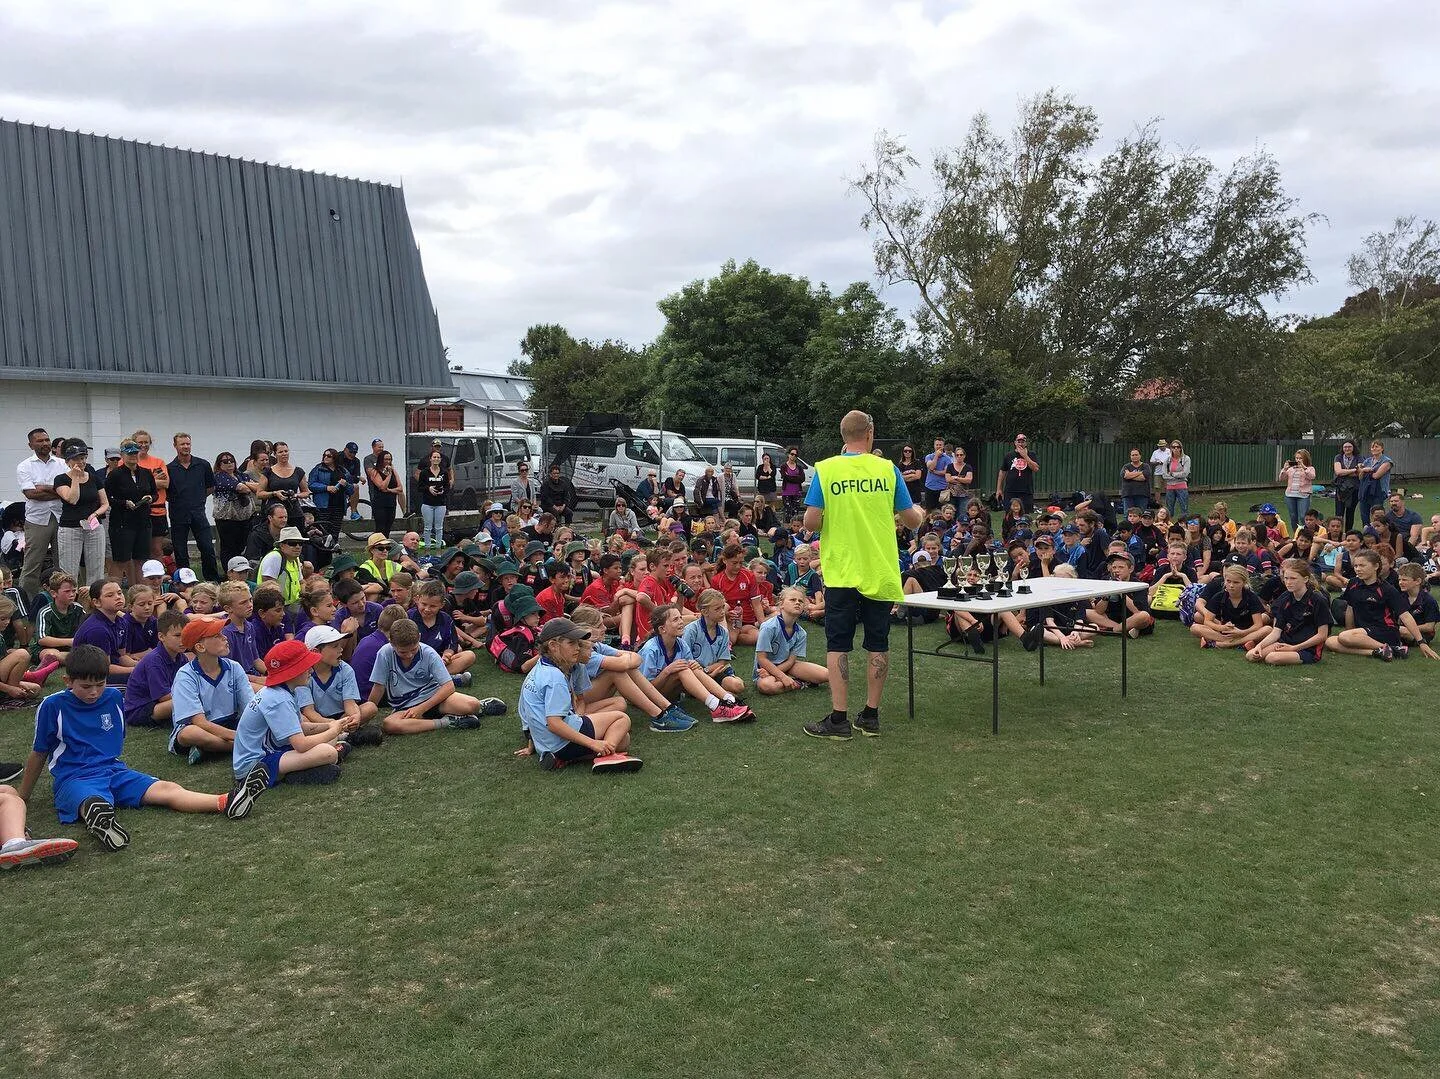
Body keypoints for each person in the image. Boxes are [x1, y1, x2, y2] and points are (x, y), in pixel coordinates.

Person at [18, 645, 267, 852]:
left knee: (167, 789)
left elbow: (116, 739)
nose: (94, 692)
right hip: (74, 777)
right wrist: (24, 796)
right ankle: (100, 819)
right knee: (92, 800)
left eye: (100, 684)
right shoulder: (53, 705)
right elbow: (39, 752)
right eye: (85, 687)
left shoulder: (114, 698)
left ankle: (226, 801)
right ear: (67, 681)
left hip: (113, 769)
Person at [802, 410, 924, 740]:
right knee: (878, 642)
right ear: (869, 433)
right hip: (880, 569)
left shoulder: (825, 470)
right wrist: (922, 513)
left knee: (838, 643)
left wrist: (835, 521)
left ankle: (838, 719)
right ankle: (870, 715)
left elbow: (810, 523)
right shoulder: (888, 469)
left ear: (843, 436)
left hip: (842, 570)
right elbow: (912, 520)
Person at [519, 618, 638, 771]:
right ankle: (606, 758)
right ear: (553, 646)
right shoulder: (555, 677)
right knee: (622, 719)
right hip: (560, 742)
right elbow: (554, 723)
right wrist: (593, 743)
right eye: (572, 643)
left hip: (547, 744)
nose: (577, 648)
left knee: (624, 739)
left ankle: (561, 759)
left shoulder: (538, 669)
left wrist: (533, 742)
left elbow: (528, 710)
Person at [233, 639, 346, 786]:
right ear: (293, 672)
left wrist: (331, 725)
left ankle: (303, 768)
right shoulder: (279, 698)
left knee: (329, 743)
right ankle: (292, 775)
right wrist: (333, 730)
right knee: (327, 752)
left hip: (274, 750)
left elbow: (299, 727)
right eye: (306, 666)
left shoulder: (284, 691)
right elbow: (301, 745)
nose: (311, 670)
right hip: (254, 765)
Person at [366, 617, 506, 735]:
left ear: (419, 638)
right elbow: (378, 687)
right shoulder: (384, 654)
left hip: (434, 698)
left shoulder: (429, 652)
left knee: (471, 705)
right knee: (389, 725)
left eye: (413, 650)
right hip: (405, 706)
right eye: (403, 652)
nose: (409, 655)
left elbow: (448, 686)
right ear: (391, 642)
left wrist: (421, 709)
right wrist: (368, 713)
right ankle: (447, 722)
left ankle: (481, 706)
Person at [638, 604, 752, 722]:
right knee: (682, 670)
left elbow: (692, 673)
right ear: (662, 629)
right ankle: (717, 707)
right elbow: (646, 689)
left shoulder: (681, 644)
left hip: (670, 693)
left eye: (681, 618)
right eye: (675, 619)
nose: (681, 622)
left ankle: (729, 701)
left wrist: (698, 668)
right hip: (648, 698)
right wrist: (667, 671)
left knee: (691, 667)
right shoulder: (651, 650)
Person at [169, 616, 256, 763]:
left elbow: (251, 707)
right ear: (200, 647)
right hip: (200, 727)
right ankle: (243, 746)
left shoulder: (234, 667)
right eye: (217, 636)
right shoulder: (185, 675)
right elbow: (200, 722)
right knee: (189, 734)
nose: (225, 638)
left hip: (230, 722)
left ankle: (210, 748)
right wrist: (239, 736)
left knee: (259, 719)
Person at [1325, 549, 1437, 661]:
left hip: (1385, 631)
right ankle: (1378, 652)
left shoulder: (1387, 589)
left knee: (1344, 637)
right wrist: (1349, 630)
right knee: (1330, 641)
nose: (1358, 569)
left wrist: (1421, 642)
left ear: (1376, 566)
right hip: (1363, 631)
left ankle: (1390, 646)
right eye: (1356, 566)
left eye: (1362, 565)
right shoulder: (1353, 583)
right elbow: (1350, 608)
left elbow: (1405, 615)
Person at [1247, 559, 1332, 666]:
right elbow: (1276, 631)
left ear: (1305, 579)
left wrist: (1294, 648)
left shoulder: (1318, 599)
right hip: (1285, 643)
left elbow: (1322, 635)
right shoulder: (1285, 598)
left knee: (1272, 658)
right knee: (1251, 655)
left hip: (1307, 649)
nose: (1288, 582)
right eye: (1286, 578)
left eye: (1293, 578)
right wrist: (1260, 645)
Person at [16, 427, 68, 600]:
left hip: (61, 517)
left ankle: (64, 598)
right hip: (37, 520)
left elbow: (68, 490)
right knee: (32, 563)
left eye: (47, 440)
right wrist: (57, 490)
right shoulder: (24, 466)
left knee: (63, 561)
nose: (45, 443)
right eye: (40, 441)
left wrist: (43, 487)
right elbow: (30, 493)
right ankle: (26, 601)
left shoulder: (62, 464)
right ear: (31, 445)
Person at [754, 586, 829, 695]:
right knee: (766, 686)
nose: (797, 603)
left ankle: (794, 681)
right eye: (792, 600)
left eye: (800, 601)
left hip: (788, 666)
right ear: (781, 604)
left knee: (826, 675)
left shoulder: (801, 633)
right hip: (764, 670)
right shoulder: (768, 627)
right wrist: (782, 676)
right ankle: (799, 682)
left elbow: (790, 661)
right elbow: (762, 659)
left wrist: (780, 674)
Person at [53, 441, 109, 586]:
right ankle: (71, 600)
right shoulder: (61, 479)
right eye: (77, 458)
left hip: (93, 526)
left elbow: (105, 503)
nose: (82, 461)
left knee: (96, 568)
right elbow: (72, 499)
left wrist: (95, 514)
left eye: (83, 457)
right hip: (70, 527)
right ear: (68, 461)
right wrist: (76, 478)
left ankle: (94, 600)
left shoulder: (94, 478)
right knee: (69, 571)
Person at [103, 440, 157, 588]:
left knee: (140, 560)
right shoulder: (115, 475)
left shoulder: (146, 473)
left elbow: (154, 493)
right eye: (129, 453)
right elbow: (107, 498)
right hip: (122, 523)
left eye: (135, 453)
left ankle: (139, 592)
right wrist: (124, 502)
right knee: (121, 560)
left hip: (143, 521)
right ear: (122, 455)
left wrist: (150, 498)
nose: (133, 456)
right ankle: (113, 593)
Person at [122, 609, 188, 728]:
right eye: (177, 635)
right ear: (161, 636)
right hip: (139, 710)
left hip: (159, 703)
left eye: (186, 635)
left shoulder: (181, 658)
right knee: (186, 700)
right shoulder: (154, 661)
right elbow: (164, 697)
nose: (183, 640)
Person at [167, 433, 219, 581]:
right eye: (182, 444)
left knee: (207, 547)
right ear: (175, 446)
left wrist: (198, 498)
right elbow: (167, 492)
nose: (185, 447)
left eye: (188, 444)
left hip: (198, 512)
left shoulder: (202, 465)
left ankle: (212, 579)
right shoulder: (170, 468)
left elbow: (210, 487)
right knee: (180, 550)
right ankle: (186, 581)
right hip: (178, 514)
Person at [212, 450, 259, 567]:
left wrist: (244, 483)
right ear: (219, 464)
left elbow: (259, 487)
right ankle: (229, 571)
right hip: (227, 519)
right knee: (229, 547)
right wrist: (245, 484)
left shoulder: (241, 475)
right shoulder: (218, 477)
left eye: (231, 461)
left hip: (245, 518)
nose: (229, 463)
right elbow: (242, 488)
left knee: (242, 546)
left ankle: (241, 569)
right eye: (225, 461)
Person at [129, 430, 171, 560]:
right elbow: (129, 486)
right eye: (139, 442)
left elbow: (165, 483)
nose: (143, 445)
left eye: (146, 442)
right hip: (136, 510)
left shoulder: (158, 462)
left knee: (156, 549)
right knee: (138, 549)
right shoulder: (127, 462)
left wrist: (142, 482)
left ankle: (158, 578)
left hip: (157, 510)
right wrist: (153, 480)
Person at [256, 441, 305, 527]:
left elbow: (306, 492)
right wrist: (274, 493)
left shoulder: (298, 471)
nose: (284, 454)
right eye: (280, 452)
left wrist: (296, 495)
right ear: (275, 454)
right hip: (275, 512)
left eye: (286, 451)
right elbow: (259, 494)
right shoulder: (268, 471)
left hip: (294, 512)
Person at [256, 526, 305, 609]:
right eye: (292, 543)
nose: (297, 546)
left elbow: (301, 582)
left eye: (300, 543)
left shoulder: (295, 558)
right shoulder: (275, 557)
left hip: (294, 604)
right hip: (277, 606)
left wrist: (308, 597)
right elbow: (269, 587)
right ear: (282, 545)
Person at [307, 448, 352, 538]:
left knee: (335, 532)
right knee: (322, 531)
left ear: (335, 458)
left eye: (329, 456)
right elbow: (311, 485)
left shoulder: (343, 471)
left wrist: (346, 484)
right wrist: (326, 488)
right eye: (324, 455)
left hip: (339, 506)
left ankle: (332, 549)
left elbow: (351, 490)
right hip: (323, 506)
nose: (326, 457)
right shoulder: (318, 469)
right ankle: (323, 551)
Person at [994, 433, 1040, 513]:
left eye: (1022, 442)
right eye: (1019, 442)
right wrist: (999, 489)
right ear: (1015, 443)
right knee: (1009, 513)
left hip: (1026, 490)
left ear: (1026, 443)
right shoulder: (1009, 455)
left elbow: (1035, 468)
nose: (1020, 444)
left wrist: (1025, 456)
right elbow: (1002, 472)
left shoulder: (1031, 454)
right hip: (1011, 490)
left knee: (1025, 513)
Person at [366, 449, 405, 538]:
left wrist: (390, 490)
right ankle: (378, 546)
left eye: (389, 459)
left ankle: (385, 547)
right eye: (386, 459)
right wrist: (389, 475)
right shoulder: (374, 471)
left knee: (388, 527)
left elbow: (400, 488)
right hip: (380, 503)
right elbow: (382, 486)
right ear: (381, 460)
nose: (388, 461)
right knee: (380, 527)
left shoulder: (394, 471)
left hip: (391, 502)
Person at [1357, 439, 1394, 527]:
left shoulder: (1387, 462)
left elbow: (1376, 476)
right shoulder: (1368, 461)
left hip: (1379, 491)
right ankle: (1367, 534)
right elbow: (1360, 477)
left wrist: (1365, 470)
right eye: (1372, 447)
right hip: (1365, 490)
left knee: (1377, 515)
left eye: (1377, 446)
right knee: (1364, 515)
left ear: (1382, 448)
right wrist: (1362, 470)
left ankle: (1379, 533)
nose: (1374, 448)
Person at [1278, 448, 1316, 534]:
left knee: (1303, 516)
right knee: (1293, 516)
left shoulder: (1310, 468)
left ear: (1305, 459)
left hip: (1303, 495)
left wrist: (1304, 467)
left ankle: (1306, 534)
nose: (1298, 460)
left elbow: (1312, 476)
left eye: (1300, 458)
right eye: (1297, 458)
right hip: (1290, 495)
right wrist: (1284, 469)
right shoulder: (1291, 469)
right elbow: (1281, 478)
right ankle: (1296, 534)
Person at [1331, 440, 1362, 531]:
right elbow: (1338, 472)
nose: (1347, 449)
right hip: (1341, 489)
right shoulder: (1338, 457)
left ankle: (1349, 533)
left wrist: (1345, 472)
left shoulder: (1359, 457)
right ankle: (1338, 533)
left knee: (1350, 512)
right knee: (1339, 513)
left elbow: (1360, 472)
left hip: (1354, 489)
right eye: (1345, 447)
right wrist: (1353, 470)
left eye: (1349, 447)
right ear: (1342, 448)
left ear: (1353, 448)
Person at [1160, 439, 1192, 517]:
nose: (1176, 449)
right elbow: (1164, 475)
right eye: (1174, 447)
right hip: (1170, 487)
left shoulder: (1186, 459)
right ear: (1171, 448)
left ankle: (1184, 525)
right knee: (1169, 510)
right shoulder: (1167, 460)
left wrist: (1172, 474)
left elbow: (1185, 473)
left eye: (1178, 447)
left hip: (1182, 487)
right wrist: (1177, 476)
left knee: (1184, 509)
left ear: (1181, 448)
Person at [922, 437, 952, 512]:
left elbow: (945, 472)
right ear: (934, 446)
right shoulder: (929, 456)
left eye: (940, 445)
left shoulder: (947, 459)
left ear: (943, 446)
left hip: (942, 488)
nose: (938, 446)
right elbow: (931, 467)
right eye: (937, 445)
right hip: (930, 487)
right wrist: (936, 456)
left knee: (942, 511)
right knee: (929, 511)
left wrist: (934, 471)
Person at [1119, 448, 1152, 513]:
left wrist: (1130, 475)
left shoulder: (1145, 466)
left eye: (1136, 455)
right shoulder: (1126, 466)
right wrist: (1140, 473)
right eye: (1133, 455)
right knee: (1127, 515)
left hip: (1142, 495)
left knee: (1141, 514)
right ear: (1130, 456)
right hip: (1128, 494)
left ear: (1140, 456)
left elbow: (1143, 477)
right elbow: (1125, 476)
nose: (1134, 456)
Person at [778, 450, 807, 522]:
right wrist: (796, 477)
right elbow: (785, 477)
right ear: (788, 454)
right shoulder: (783, 466)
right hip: (787, 492)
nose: (793, 456)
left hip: (797, 492)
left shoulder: (799, 467)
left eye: (795, 455)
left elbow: (802, 479)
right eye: (792, 454)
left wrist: (790, 477)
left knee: (795, 512)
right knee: (788, 512)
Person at [339, 442, 364, 520]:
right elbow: (338, 475)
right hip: (336, 482)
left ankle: (353, 513)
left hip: (348, 484)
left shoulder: (356, 461)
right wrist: (356, 477)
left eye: (355, 452)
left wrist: (356, 477)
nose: (353, 454)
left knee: (355, 487)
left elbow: (356, 479)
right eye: (351, 452)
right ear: (345, 450)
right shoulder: (338, 457)